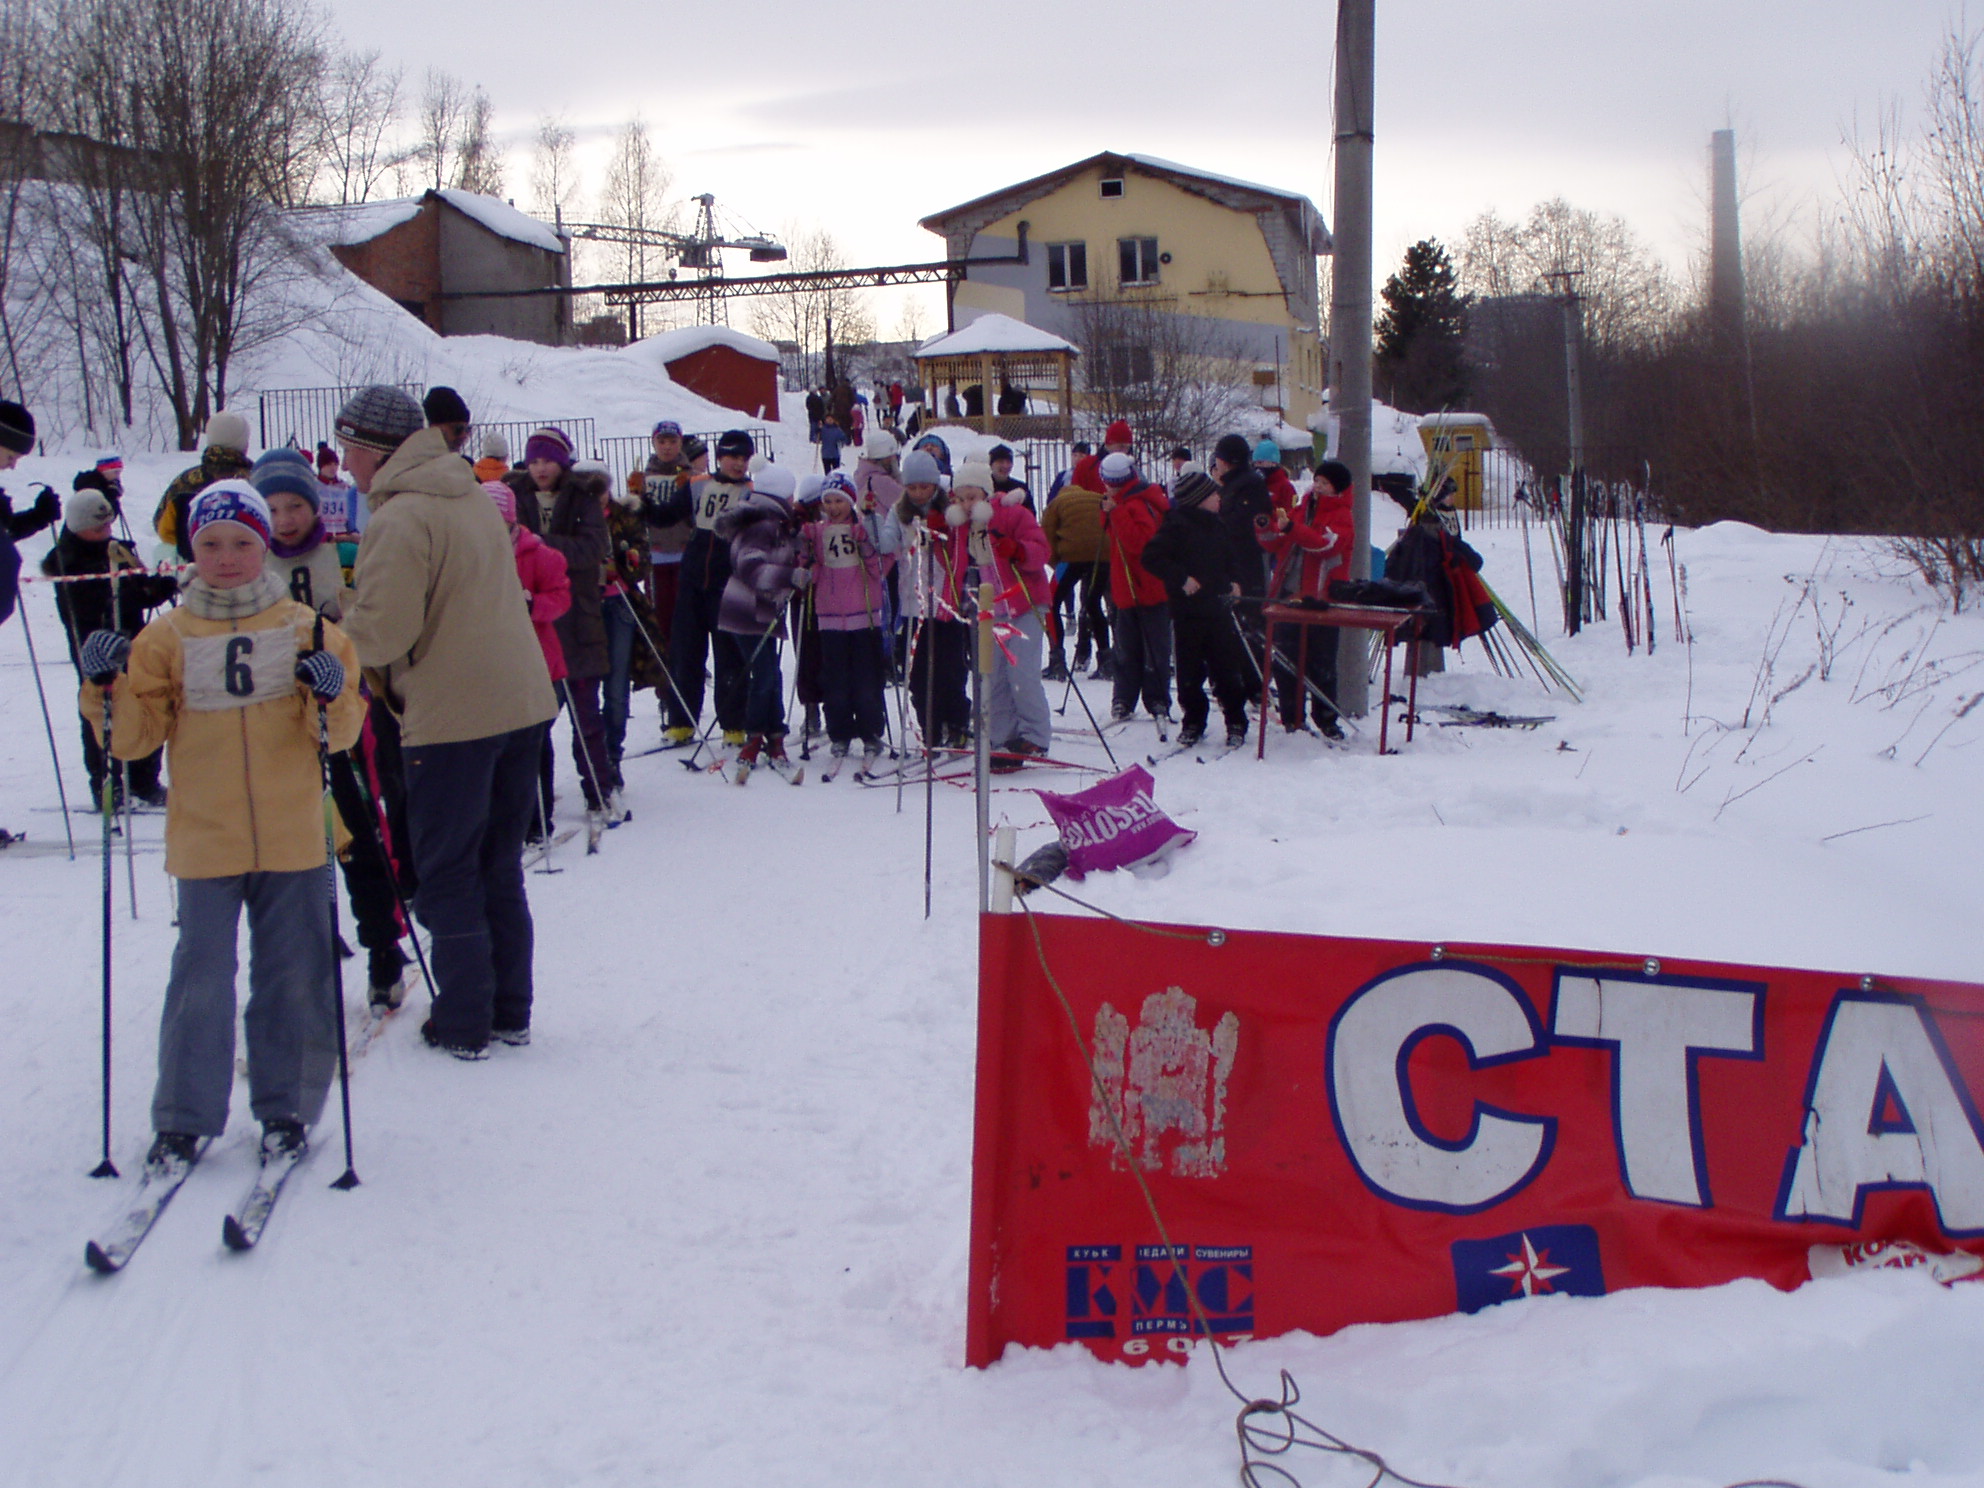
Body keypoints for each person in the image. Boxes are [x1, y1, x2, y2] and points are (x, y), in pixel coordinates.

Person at [78, 480, 363, 1169]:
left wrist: (329, 690)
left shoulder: (307, 626)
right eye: (211, 544)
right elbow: (132, 742)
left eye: (241, 542)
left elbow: (342, 733)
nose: (227, 557)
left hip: (292, 832)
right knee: (200, 977)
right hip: (205, 835)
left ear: (263, 544)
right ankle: (182, 1117)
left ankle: (285, 1109)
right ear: (191, 549)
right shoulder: (166, 635)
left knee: (290, 975)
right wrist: (104, 686)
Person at [335, 384, 557, 1060]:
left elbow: (380, 632)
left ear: (375, 449)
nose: (344, 464)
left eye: (349, 449)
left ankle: (463, 1021)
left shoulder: (402, 516)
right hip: (518, 702)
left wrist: (329, 628)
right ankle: (508, 1011)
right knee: (497, 865)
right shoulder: (462, 493)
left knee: (449, 871)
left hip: (454, 715)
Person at [505, 432, 618, 827]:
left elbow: (592, 550)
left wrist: (539, 546)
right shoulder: (513, 495)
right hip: (531, 623)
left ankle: (598, 789)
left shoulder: (582, 495)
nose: (540, 469)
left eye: (548, 461)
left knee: (587, 715)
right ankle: (534, 805)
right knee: (535, 720)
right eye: (534, 461)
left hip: (578, 615)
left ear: (562, 463)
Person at [42, 486, 178, 810]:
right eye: (98, 526)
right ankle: (107, 783)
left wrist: (159, 586)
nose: (106, 531)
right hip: (95, 648)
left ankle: (144, 779)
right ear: (79, 526)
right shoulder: (68, 561)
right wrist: (126, 592)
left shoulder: (116, 550)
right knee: (102, 712)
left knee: (146, 703)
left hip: (135, 643)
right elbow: (87, 607)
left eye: (108, 524)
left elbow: (141, 592)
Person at [951, 461, 1055, 771]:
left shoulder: (1011, 515)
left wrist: (1019, 550)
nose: (969, 504)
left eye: (974, 496)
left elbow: (1042, 550)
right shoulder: (961, 529)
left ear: (987, 494)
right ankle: (1002, 737)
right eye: (962, 498)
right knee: (991, 676)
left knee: (1021, 674)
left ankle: (1035, 735)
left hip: (1023, 605)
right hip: (988, 611)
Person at [1140, 471, 1255, 749]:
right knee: (1189, 672)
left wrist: (1236, 583)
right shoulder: (1175, 526)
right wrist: (1181, 579)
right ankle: (1193, 720)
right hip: (1187, 611)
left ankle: (1236, 720)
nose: (1219, 498)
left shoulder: (1219, 525)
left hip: (1218, 609)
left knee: (1227, 668)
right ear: (1199, 499)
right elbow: (1151, 557)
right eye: (1214, 494)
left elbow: (1232, 559)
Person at [484, 480, 572, 836]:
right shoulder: (469, 554)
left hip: (537, 662)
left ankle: (538, 819)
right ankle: (503, 820)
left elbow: (561, 599)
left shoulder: (538, 554)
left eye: (496, 522)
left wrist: (533, 603)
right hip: (491, 664)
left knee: (534, 742)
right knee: (497, 746)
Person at [714, 462, 803, 779]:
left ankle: (774, 734)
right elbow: (751, 568)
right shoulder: (761, 525)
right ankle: (755, 737)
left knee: (770, 674)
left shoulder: (771, 522)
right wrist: (790, 575)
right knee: (764, 675)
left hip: (760, 611)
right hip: (747, 611)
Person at [1257, 458, 1357, 736]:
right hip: (1290, 596)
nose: (1318, 487)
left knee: (1321, 664)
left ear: (1337, 488)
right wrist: (1264, 527)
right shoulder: (1301, 509)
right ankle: (1292, 718)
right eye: (1317, 481)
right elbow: (1276, 542)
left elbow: (1323, 544)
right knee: (1285, 660)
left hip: (1323, 599)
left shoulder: (1342, 515)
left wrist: (1290, 528)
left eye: (1324, 483)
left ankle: (1326, 720)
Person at [880, 448, 970, 748]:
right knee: (918, 674)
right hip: (913, 604)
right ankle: (929, 727)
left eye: (924, 486)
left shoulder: (950, 509)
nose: (919, 493)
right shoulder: (899, 511)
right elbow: (887, 542)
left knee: (951, 670)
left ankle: (955, 722)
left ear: (935, 484)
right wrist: (871, 522)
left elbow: (961, 543)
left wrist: (941, 531)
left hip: (946, 604)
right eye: (913, 487)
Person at [799, 472, 887, 772]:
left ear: (851, 502)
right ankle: (839, 731)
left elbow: (881, 569)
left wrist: (867, 548)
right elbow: (808, 564)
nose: (834, 507)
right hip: (830, 617)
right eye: (829, 501)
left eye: (840, 500)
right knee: (834, 679)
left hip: (864, 615)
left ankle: (871, 730)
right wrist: (805, 562)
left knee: (866, 679)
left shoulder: (863, 529)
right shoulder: (817, 532)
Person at [1097, 452, 1172, 723]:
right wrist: (1109, 514)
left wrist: (1115, 514)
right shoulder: (1124, 500)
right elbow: (1112, 534)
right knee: (1127, 647)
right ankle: (1125, 698)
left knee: (1151, 648)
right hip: (1127, 587)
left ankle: (1155, 698)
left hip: (1146, 586)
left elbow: (1140, 544)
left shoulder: (1137, 503)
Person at [254, 449, 348, 620]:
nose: (284, 520)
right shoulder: (251, 567)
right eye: (271, 510)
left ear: (314, 506)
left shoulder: (345, 556)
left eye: (295, 506)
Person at [1039, 464, 1109, 683]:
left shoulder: (1056, 503)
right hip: (1102, 556)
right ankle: (1107, 660)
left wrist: (1055, 563)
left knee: (1051, 602)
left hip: (1071, 556)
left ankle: (1057, 660)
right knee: (1093, 603)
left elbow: (1046, 536)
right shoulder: (1097, 497)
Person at [153, 410, 254, 560]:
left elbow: (161, 526)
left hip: (192, 568)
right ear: (243, 443)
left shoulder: (185, 481)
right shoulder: (256, 481)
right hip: (245, 567)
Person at [635, 420, 694, 670]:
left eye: (672, 442)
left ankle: (686, 670)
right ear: (654, 443)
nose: (667, 447)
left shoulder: (691, 476)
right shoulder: (644, 476)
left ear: (680, 443)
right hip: (656, 555)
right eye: (662, 441)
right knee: (659, 619)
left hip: (684, 554)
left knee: (685, 620)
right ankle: (664, 679)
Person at [1073, 419, 1132, 495]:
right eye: (1121, 446)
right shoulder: (1086, 466)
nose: (1124, 451)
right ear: (1108, 444)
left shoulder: (1130, 470)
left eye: (1127, 447)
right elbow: (1075, 497)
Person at [423, 386, 472, 454]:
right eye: (458, 429)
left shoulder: (463, 463)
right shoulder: (414, 461)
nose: (463, 435)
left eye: (468, 429)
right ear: (433, 427)